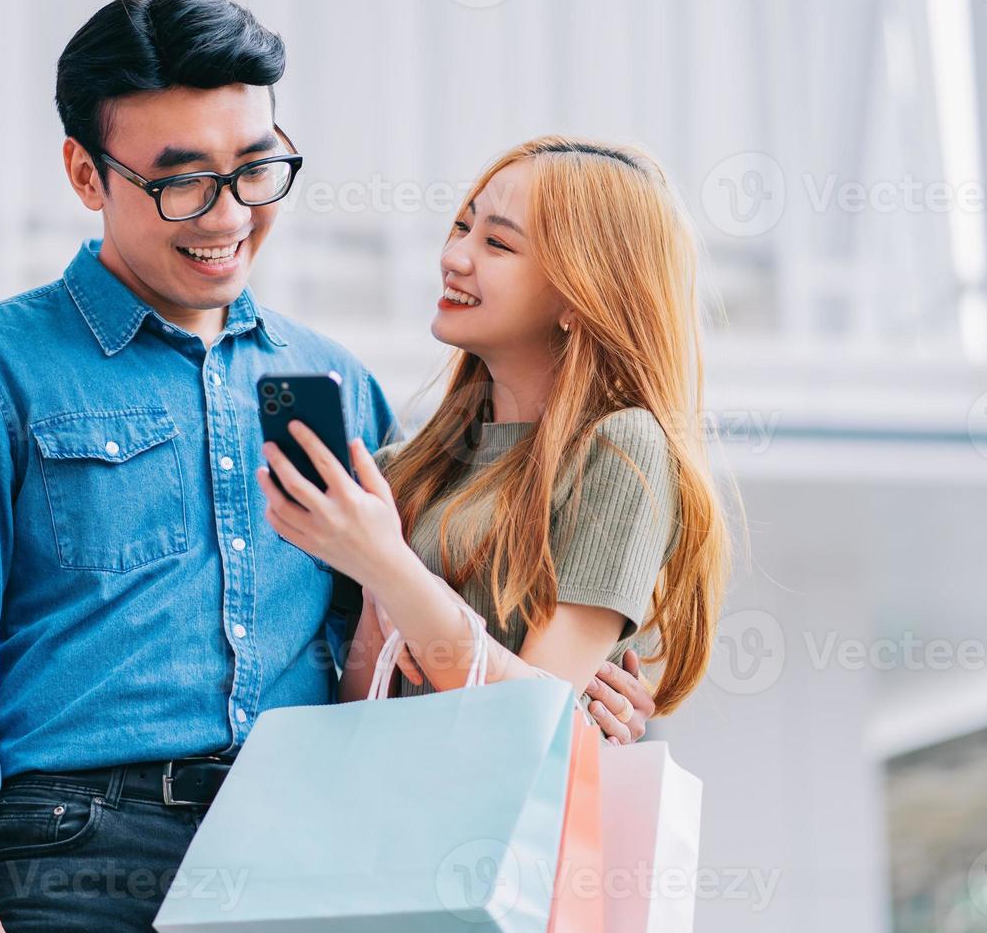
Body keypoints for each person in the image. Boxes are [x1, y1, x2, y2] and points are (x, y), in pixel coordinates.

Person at [0, 0, 650, 933]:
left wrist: (567, 694)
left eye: (255, 169)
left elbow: (378, 661)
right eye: (182, 182)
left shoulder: (332, 385)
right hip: (74, 856)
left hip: (297, 856)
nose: (228, 214)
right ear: (85, 173)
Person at [260, 136, 730, 721]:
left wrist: (390, 567)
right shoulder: (403, 472)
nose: (454, 257)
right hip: (400, 805)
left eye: (498, 243)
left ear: (580, 296)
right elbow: (361, 711)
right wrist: (383, 588)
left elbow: (531, 715)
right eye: (461, 226)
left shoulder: (621, 447)